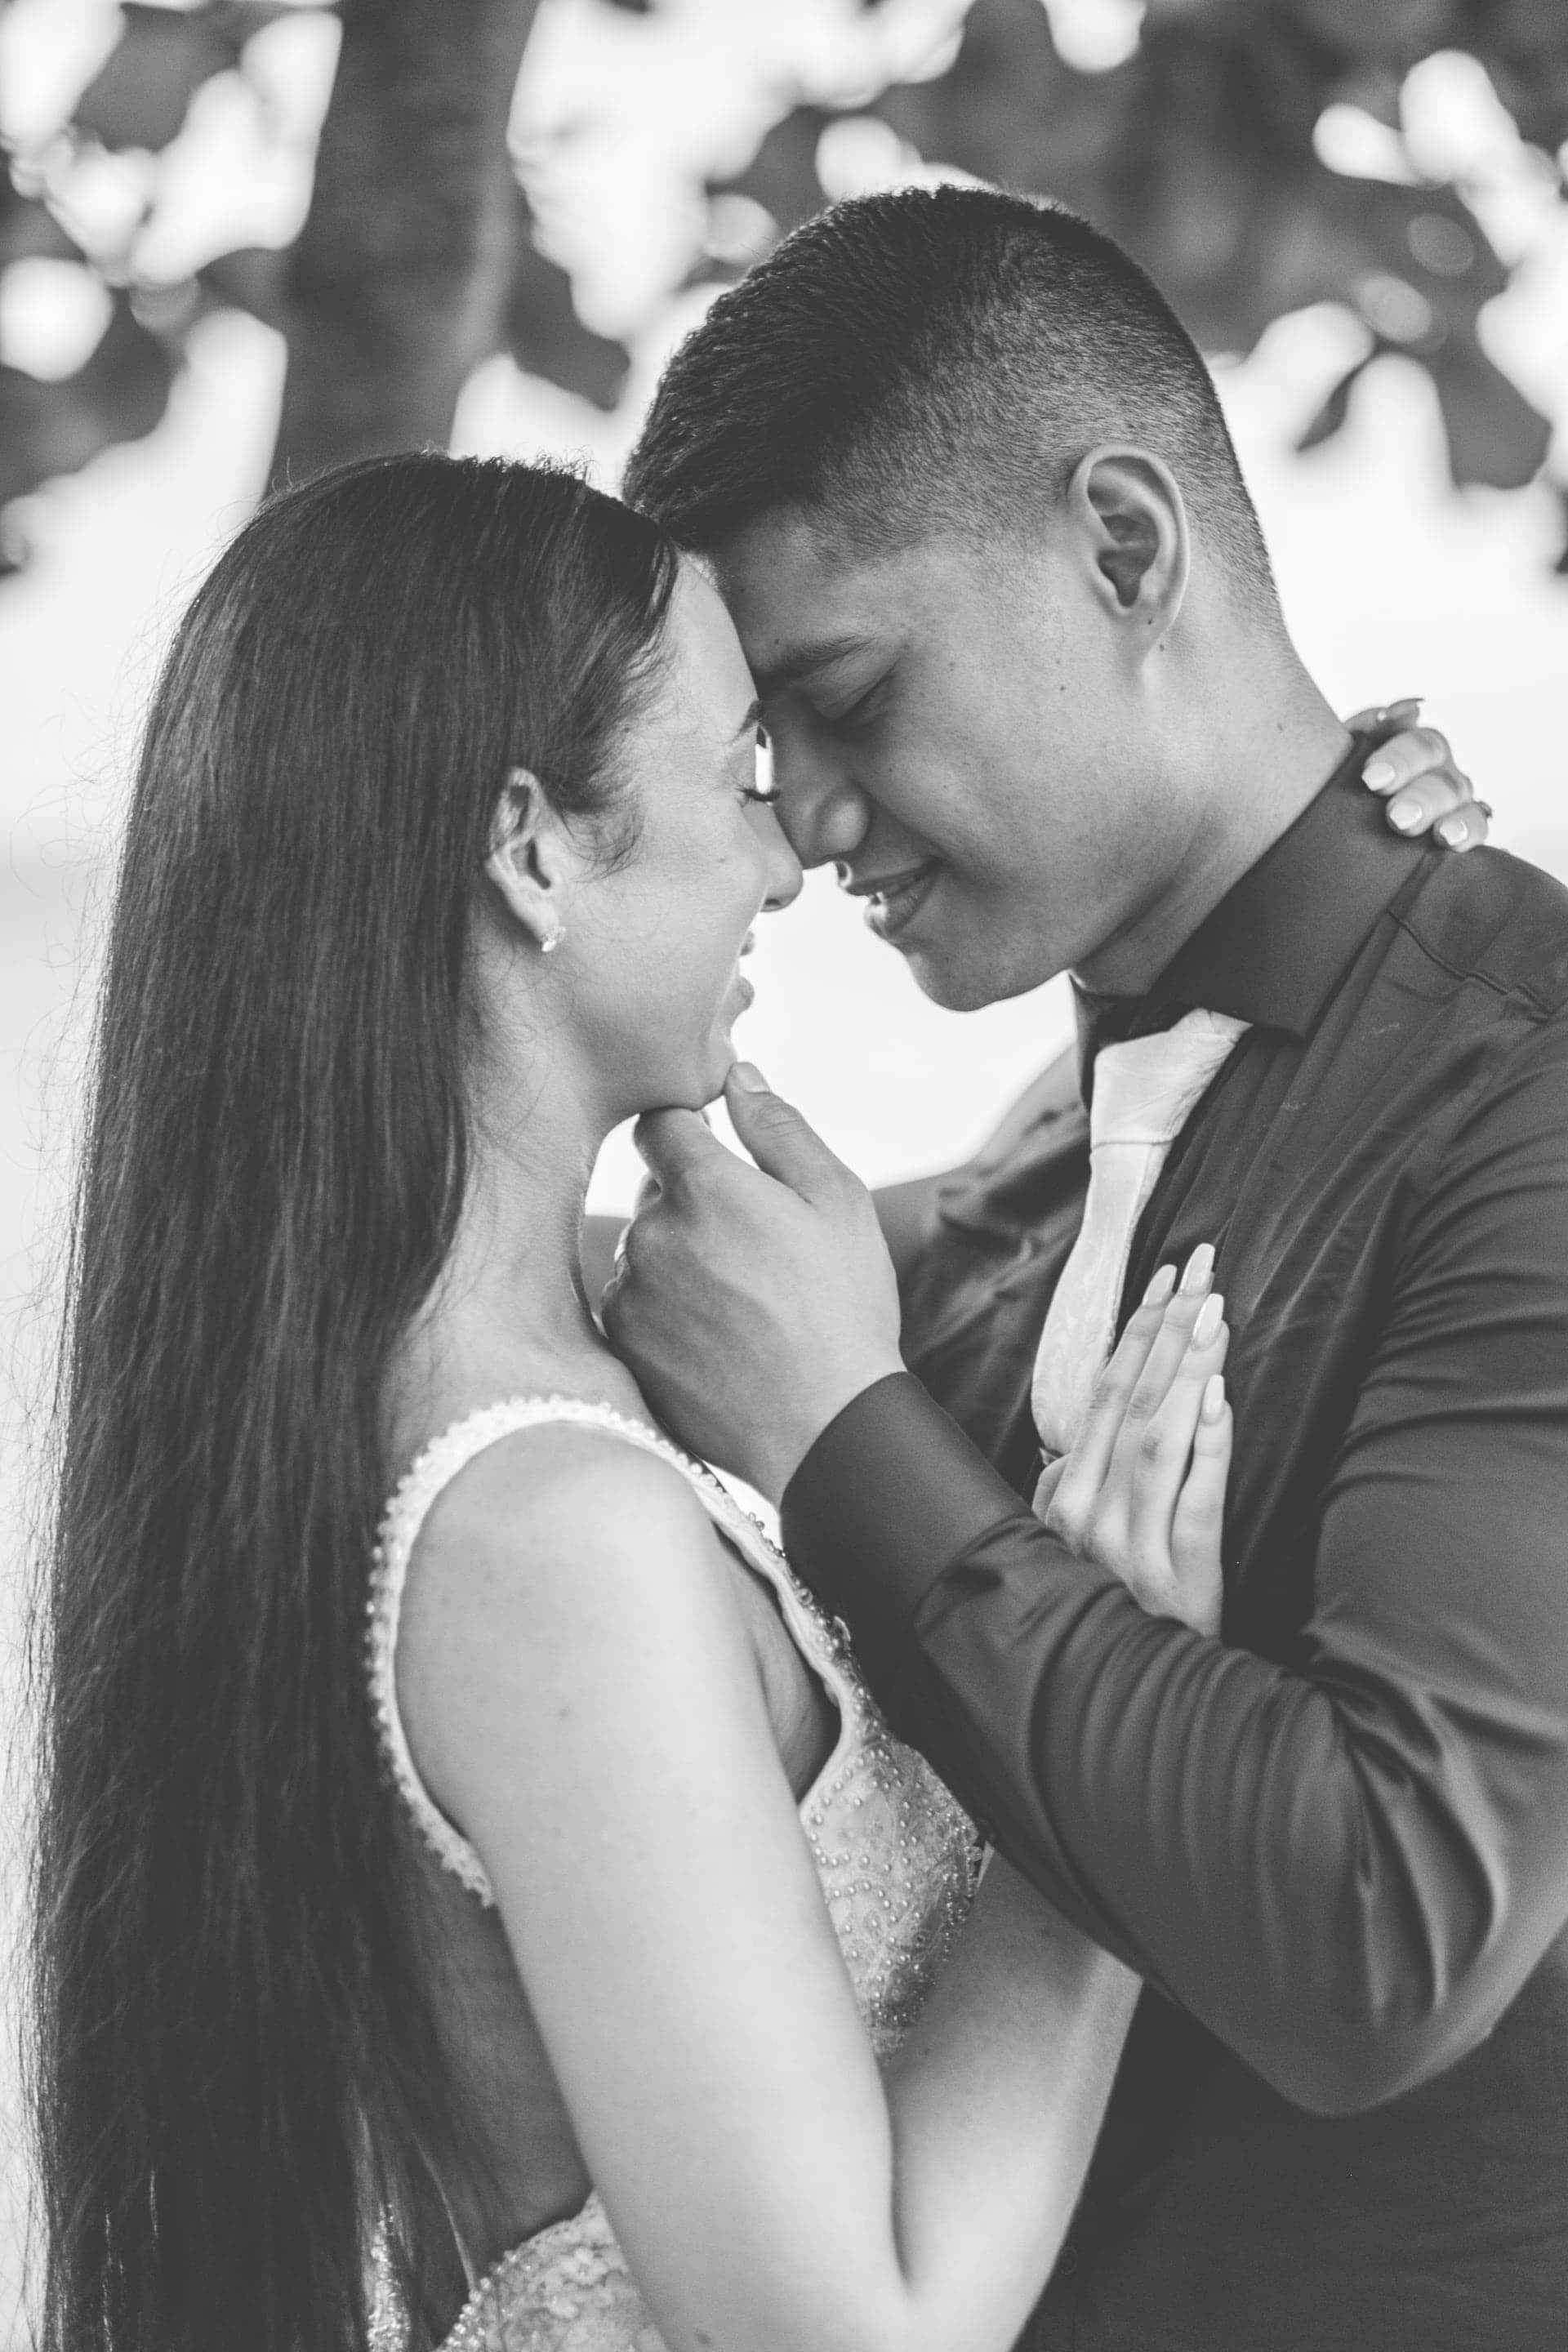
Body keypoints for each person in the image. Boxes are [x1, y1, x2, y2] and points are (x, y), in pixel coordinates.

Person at [35, 450, 1356, 2352]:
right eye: (739, 774)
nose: (787, 855)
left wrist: (1325, 855)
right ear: (532, 846)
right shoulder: (545, 1536)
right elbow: (864, 2331)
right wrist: (1109, 1745)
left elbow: (1037, 1202)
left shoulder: (572, 1332)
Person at [605, 187, 1568, 2350]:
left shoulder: (1530, 1091)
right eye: (764, 749)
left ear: (1127, 545)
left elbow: (1387, 1929)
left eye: (848, 699)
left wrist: (848, 1443)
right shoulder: (1014, 1181)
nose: (807, 827)